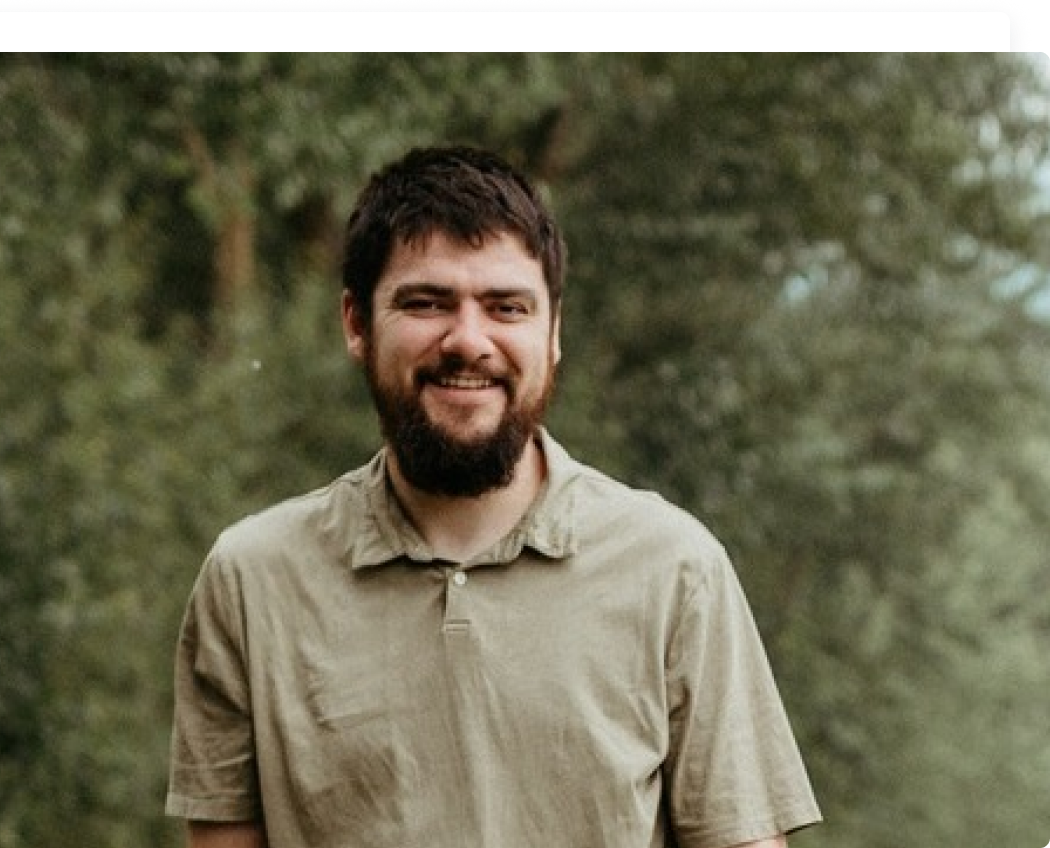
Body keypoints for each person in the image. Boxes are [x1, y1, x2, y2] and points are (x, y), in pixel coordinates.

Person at [165, 146, 822, 848]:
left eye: (506, 307)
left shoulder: (675, 569)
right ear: (357, 323)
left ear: (553, 330)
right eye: (426, 303)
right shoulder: (252, 580)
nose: (468, 340)